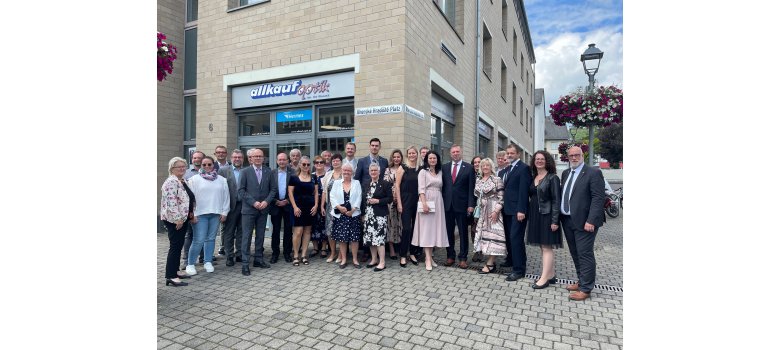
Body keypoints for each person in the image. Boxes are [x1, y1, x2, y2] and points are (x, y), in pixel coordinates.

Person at [559, 146, 606, 301]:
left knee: (585, 254)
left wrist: (591, 220)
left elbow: (598, 198)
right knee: (575, 253)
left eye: (577, 155)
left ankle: (586, 289)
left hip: (585, 222)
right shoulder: (565, 173)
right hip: (567, 220)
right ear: (567, 157)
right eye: (571, 155)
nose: (574, 158)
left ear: (582, 155)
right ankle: (581, 281)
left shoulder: (593, 172)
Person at [185, 156, 230, 276]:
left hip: (215, 213)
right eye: (204, 165)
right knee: (198, 240)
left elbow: (226, 197)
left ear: (213, 165)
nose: (207, 167)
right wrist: (191, 214)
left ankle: (207, 261)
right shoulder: (194, 180)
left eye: (209, 164)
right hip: (200, 214)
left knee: (210, 239)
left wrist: (224, 212)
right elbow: (189, 199)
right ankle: (190, 264)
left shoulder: (221, 180)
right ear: (201, 166)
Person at [526, 150, 563, 289]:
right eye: (537, 159)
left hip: (547, 215)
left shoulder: (552, 178)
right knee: (543, 247)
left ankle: (544, 278)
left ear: (547, 161)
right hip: (535, 214)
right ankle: (551, 275)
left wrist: (555, 221)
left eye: (542, 159)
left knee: (547, 247)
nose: (539, 161)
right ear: (534, 161)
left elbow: (556, 200)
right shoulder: (534, 176)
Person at [238, 148, 277, 276]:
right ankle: (245, 263)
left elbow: (273, 190)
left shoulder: (268, 171)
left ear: (263, 158)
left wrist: (266, 201)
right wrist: (254, 202)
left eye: (260, 156)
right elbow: (241, 191)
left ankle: (258, 259)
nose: (258, 158)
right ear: (251, 158)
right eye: (256, 156)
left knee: (260, 235)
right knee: (247, 236)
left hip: (263, 209)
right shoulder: (245, 172)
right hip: (249, 209)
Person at [499, 144, 532, 282]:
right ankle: (511, 260)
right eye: (508, 153)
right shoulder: (508, 168)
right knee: (509, 237)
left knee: (516, 238)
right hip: (507, 210)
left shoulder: (524, 168)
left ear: (518, 154)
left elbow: (524, 191)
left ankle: (519, 270)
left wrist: (521, 210)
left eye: (512, 153)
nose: (509, 155)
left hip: (517, 211)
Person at [160, 157, 195, 286]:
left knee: (178, 245)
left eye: (183, 166)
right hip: (175, 220)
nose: (181, 169)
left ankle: (175, 270)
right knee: (175, 247)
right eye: (178, 167)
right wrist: (177, 219)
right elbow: (171, 202)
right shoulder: (171, 182)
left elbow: (188, 199)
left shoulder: (182, 181)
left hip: (183, 217)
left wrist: (190, 213)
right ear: (171, 169)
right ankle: (170, 276)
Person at [412, 150, 449, 271]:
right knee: (426, 230)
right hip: (427, 200)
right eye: (430, 158)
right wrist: (424, 204)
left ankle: (431, 257)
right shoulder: (423, 172)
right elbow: (421, 189)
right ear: (426, 160)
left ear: (437, 160)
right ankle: (427, 258)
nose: (432, 160)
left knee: (434, 230)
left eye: (434, 158)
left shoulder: (440, 172)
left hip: (438, 202)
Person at [441, 145, 476, 269]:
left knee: (462, 233)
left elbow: (471, 188)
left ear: (461, 153)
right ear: (450, 154)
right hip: (447, 205)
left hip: (462, 205)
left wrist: (471, 205)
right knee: (449, 232)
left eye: (457, 151)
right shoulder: (444, 168)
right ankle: (450, 256)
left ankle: (463, 258)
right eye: (453, 152)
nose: (455, 153)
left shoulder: (469, 168)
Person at [472, 158, 506, 274]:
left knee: (493, 237)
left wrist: (496, 211)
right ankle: (491, 262)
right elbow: (477, 196)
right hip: (482, 212)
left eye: (487, 165)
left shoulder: (497, 179)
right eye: (483, 165)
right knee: (483, 236)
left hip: (493, 211)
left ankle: (490, 264)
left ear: (491, 167)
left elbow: (502, 198)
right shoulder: (479, 179)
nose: (485, 167)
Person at [288, 156, 319, 266]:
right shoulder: (294, 177)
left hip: (310, 207)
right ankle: (296, 255)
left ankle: (304, 255)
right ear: (300, 165)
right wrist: (295, 207)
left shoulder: (313, 177)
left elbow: (316, 193)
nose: (306, 166)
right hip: (298, 207)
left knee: (307, 231)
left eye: (308, 164)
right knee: (298, 232)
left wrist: (316, 206)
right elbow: (290, 193)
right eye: (304, 164)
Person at [361, 163, 393, 272]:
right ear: (369, 172)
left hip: (379, 215)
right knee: (370, 238)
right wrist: (363, 214)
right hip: (369, 215)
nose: (373, 172)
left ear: (379, 172)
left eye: (375, 170)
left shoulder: (385, 184)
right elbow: (363, 199)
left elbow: (390, 199)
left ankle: (382, 262)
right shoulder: (366, 184)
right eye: (372, 171)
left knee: (379, 239)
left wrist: (378, 201)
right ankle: (374, 259)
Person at [330, 163, 363, 269]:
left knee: (354, 239)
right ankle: (343, 259)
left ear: (352, 172)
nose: (346, 172)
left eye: (349, 171)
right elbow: (332, 197)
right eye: (344, 170)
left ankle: (354, 259)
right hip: (341, 215)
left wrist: (353, 210)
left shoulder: (356, 183)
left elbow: (359, 197)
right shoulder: (336, 183)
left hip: (353, 215)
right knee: (342, 239)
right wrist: (339, 207)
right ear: (342, 171)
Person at [394, 146, 421, 267]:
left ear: (417, 154)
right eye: (409, 153)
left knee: (416, 228)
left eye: (414, 153)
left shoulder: (420, 169)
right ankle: (403, 255)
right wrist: (399, 203)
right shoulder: (402, 167)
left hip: (418, 201)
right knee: (406, 229)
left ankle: (413, 253)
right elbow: (397, 186)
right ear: (407, 155)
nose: (412, 155)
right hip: (405, 201)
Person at [217, 149, 244, 266]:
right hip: (229, 206)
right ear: (231, 158)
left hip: (244, 206)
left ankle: (239, 254)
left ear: (243, 159)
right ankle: (229, 256)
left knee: (241, 232)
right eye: (235, 157)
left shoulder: (246, 170)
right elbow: (219, 190)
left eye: (239, 157)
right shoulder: (223, 170)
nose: (237, 159)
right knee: (229, 232)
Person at [269, 152, 294, 264]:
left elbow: (296, 190)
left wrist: (287, 200)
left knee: (288, 231)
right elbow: (268, 190)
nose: (282, 161)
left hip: (288, 205)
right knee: (275, 230)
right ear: (276, 161)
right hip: (275, 205)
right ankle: (275, 253)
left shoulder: (293, 173)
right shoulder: (271, 173)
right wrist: (276, 201)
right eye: (280, 160)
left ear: (287, 161)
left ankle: (287, 253)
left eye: (284, 159)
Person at [320, 153, 344, 263]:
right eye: (333, 160)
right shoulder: (328, 174)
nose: (335, 162)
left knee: (340, 230)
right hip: (330, 206)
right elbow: (324, 191)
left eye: (337, 160)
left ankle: (340, 254)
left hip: (342, 206)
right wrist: (322, 206)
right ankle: (333, 252)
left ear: (341, 162)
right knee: (330, 230)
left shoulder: (345, 173)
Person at [383, 149, 403, 260]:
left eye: (398, 157)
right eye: (394, 157)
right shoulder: (387, 170)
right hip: (390, 201)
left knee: (400, 223)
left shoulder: (403, 169)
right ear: (392, 158)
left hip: (401, 199)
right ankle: (391, 250)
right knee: (390, 224)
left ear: (401, 158)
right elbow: (385, 184)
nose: (396, 159)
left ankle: (400, 247)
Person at [309, 155, 329, 258]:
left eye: (321, 162)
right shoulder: (311, 176)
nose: (319, 164)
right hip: (312, 204)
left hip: (324, 204)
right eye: (317, 163)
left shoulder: (328, 175)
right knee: (313, 225)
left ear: (324, 163)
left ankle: (324, 248)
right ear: (314, 164)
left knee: (324, 225)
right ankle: (315, 247)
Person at [469, 155, 483, 263]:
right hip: (472, 207)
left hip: (483, 207)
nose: (477, 164)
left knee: (482, 230)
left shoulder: (486, 175)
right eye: (475, 162)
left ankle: (481, 252)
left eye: (479, 162)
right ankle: (476, 251)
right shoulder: (470, 174)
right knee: (473, 230)